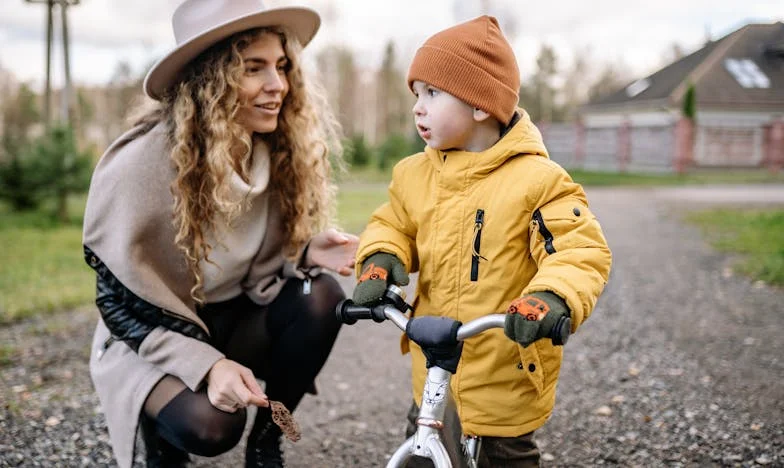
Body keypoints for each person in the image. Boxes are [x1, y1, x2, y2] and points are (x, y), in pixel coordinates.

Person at [82, 1, 358, 467]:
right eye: (255, 68)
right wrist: (205, 366)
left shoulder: (274, 150)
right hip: (152, 338)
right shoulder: (137, 168)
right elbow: (115, 305)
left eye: (282, 66)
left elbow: (252, 266)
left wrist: (305, 252)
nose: (279, 86)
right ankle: (163, 442)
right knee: (213, 425)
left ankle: (268, 441)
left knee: (322, 297)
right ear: (210, 79)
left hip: (231, 320)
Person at [351, 15, 612, 467]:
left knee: (504, 457)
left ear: (478, 105)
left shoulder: (538, 181)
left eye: (431, 93)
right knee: (424, 443)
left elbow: (577, 249)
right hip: (434, 361)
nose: (417, 107)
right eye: (416, 94)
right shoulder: (414, 174)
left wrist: (551, 297)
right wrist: (380, 258)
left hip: (504, 366)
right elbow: (392, 224)